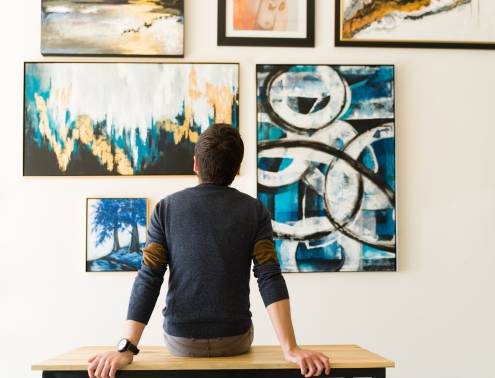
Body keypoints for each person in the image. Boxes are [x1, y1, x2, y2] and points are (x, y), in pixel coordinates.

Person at [87, 124, 331, 378]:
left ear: (195, 164)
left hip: (180, 340)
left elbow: (149, 277)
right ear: (237, 170)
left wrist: (126, 348)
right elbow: (269, 276)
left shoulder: (165, 209)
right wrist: (290, 348)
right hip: (235, 340)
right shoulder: (255, 211)